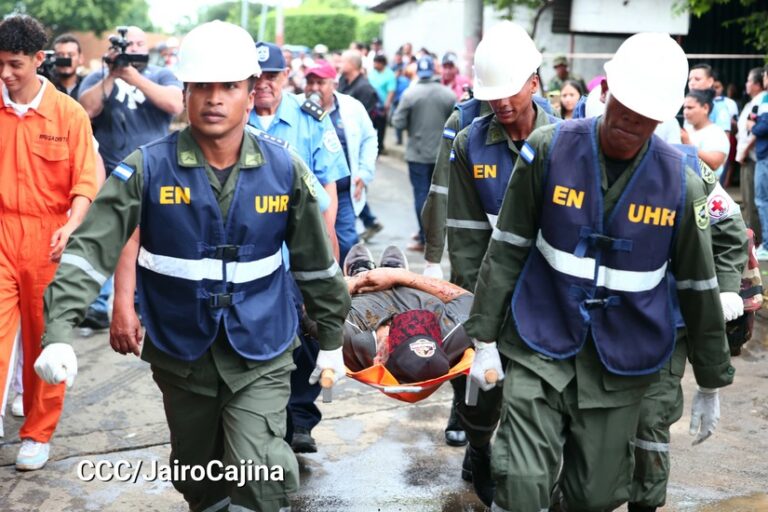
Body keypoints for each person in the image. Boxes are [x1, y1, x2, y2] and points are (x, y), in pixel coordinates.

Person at [34, 21, 350, 511]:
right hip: (181, 352)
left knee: (259, 470)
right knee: (198, 477)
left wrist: (330, 340)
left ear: (251, 94)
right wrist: (59, 328)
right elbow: (90, 248)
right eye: (202, 86)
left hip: (261, 351)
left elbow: (317, 264)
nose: (214, 98)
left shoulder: (284, 170)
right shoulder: (146, 168)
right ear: (184, 94)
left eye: (229, 86)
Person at [464, 33, 734, 511]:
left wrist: (711, 377)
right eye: (624, 108)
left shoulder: (683, 185)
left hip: (623, 357)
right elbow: (507, 247)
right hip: (538, 339)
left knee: (595, 497)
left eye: (645, 116)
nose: (630, 123)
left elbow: (697, 285)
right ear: (607, 93)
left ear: (665, 115)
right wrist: (483, 339)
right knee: (522, 481)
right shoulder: (548, 151)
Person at [443, 21, 560, 505]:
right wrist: (476, 315)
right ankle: (478, 449)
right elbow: (467, 238)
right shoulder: (471, 142)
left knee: (539, 392)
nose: (502, 104)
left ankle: (534, 472)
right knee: (479, 383)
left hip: (549, 291)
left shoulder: (567, 139)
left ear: (534, 81)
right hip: (489, 283)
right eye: (491, 95)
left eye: (510, 91)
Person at [0, 14, 98, 469]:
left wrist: (71, 224)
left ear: (39, 60)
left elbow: (86, 180)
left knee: (46, 341)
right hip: (1, 234)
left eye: (15, 64)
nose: (5, 73)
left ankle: (38, 434)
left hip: (48, 239)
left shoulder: (69, 114)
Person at [246, 41, 350, 453]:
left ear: (285, 77)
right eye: (256, 78)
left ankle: (302, 420)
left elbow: (328, 188)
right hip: (254, 253)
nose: (264, 85)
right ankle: (265, 423)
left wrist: (328, 254)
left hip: (301, 252)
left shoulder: (310, 121)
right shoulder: (238, 119)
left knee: (309, 336)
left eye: (271, 76)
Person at [77, 26, 184, 331]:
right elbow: (86, 109)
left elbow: (175, 105)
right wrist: (112, 74)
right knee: (105, 238)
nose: (131, 50)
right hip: (111, 173)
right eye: (125, 45)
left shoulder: (161, 74)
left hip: (155, 172)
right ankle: (98, 307)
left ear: (146, 47)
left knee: (154, 239)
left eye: (137, 44)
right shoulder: (99, 75)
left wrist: (133, 76)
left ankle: (145, 303)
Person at [302, 60, 378, 263]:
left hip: (343, 192)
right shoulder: (295, 106)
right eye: (310, 82)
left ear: (333, 84)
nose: (314, 88)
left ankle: (347, 288)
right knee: (308, 245)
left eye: (321, 83)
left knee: (345, 243)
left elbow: (370, 138)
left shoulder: (352, 107)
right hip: (305, 194)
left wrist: (364, 171)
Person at [392, 55, 456, 252]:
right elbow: (457, 122)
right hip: (441, 154)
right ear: (435, 72)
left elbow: (398, 122)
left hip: (417, 154)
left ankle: (424, 237)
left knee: (421, 195)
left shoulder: (410, 94)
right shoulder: (448, 94)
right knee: (440, 195)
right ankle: (438, 234)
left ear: (418, 72)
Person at [736, 67, 766, 246]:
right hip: (748, 156)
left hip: (752, 157)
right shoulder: (753, 101)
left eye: (748, 80)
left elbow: (756, 130)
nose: (746, 84)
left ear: (757, 84)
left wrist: (744, 151)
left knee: (754, 201)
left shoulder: (761, 100)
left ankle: (757, 241)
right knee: (749, 201)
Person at [681, 89, 730, 178]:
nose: (686, 112)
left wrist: (688, 144)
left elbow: (715, 164)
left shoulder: (717, 133)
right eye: (684, 108)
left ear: (705, 108)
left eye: (690, 108)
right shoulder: (686, 130)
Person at [750, 66, 768, 260]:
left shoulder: (766, 98)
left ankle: (767, 246)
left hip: (764, 155)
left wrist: (753, 127)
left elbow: (763, 125)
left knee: (762, 201)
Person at [687, 63, 732, 134]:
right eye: (690, 80)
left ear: (710, 81)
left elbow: (724, 140)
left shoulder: (720, 107)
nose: (692, 83)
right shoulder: (687, 107)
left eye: (697, 79)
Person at [368, 54, 396, 155]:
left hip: (382, 106)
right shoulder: (372, 73)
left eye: (377, 63)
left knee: (381, 127)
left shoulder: (389, 75)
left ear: (382, 63)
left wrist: (387, 104)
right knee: (371, 126)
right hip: (371, 105)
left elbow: (391, 91)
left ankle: (380, 147)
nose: (375, 65)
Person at [48, 33, 84, 97]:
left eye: (70, 55)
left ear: (80, 58)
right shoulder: (46, 85)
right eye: (60, 55)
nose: (65, 58)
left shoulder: (87, 85)